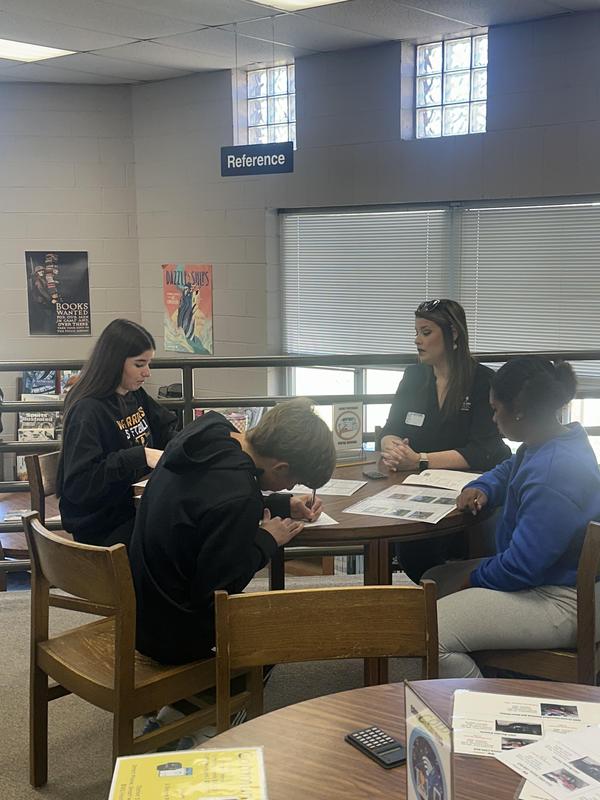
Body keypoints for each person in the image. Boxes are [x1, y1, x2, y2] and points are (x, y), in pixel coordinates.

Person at [423, 357, 600, 678]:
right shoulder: (555, 439)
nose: (492, 417)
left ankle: (482, 708)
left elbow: (521, 567)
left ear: (518, 410)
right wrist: (484, 486)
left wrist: (472, 580)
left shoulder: (553, 472)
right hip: (555, 581)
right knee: (434, 579)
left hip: (563, 599)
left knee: (426, 633)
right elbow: (510, 470)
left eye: (495, 409)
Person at [129, 397, 337, 666]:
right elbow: (219, 588)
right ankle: (198, 702)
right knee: (279, 633)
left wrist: (280, 504)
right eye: (292, 481)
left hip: (142, 611)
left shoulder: (210, 433)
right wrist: (266, 540)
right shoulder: (240, 496)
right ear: (281, 467)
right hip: (175, 634)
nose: (288, 488)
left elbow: (206, 503)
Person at [379, 299, 510, 580]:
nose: (417, 341)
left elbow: (484, 450)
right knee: (411, 552)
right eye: (416, 332)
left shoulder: (483, 380)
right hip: (417, 486)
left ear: (453, 335)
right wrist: (392, 448)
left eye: (426, 333)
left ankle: (449, 600)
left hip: (472, 488)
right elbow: (389, 428)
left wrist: (420, 460)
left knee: (433, 554)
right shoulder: (414, 375)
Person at [57, 319, 177, 547]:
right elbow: (79, 485)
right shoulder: (87, 410)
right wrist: (139, 456)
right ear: (114, 363)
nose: (147, 373)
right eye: (140, 364)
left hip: (131, 508)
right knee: (182, 537)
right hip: (103, 525)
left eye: (148, 363)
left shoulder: (135, 394)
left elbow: (166, 429)